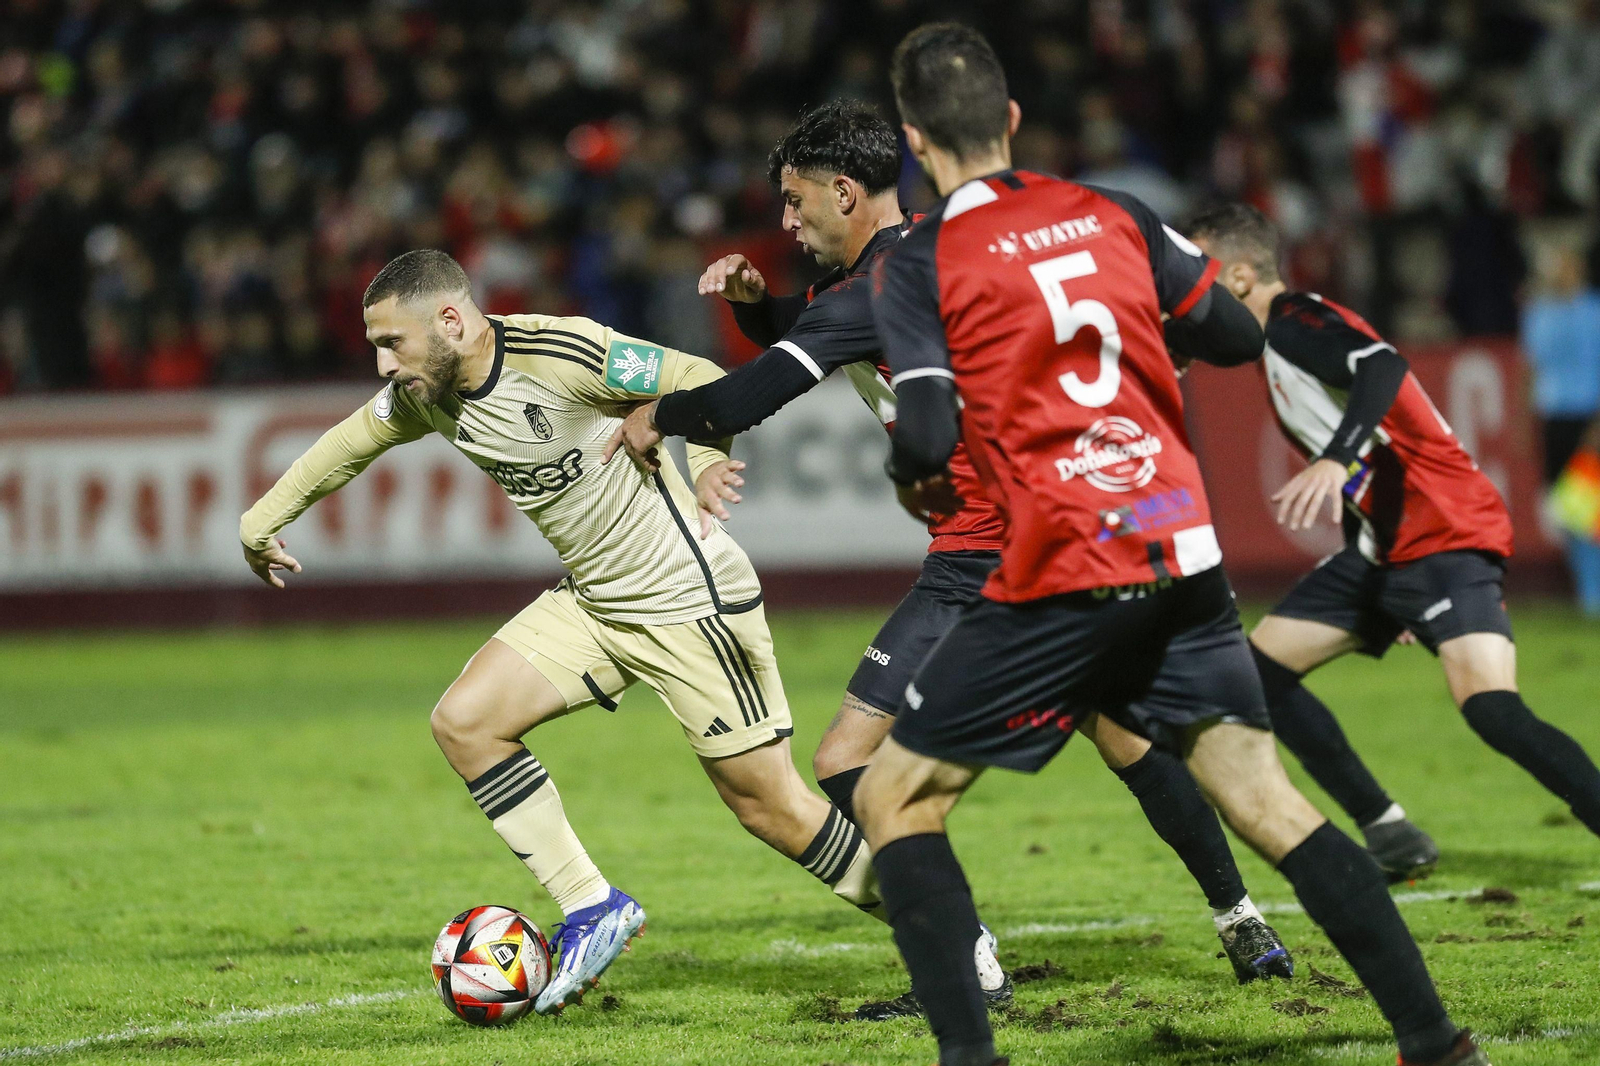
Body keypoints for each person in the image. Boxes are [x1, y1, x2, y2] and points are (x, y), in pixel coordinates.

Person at [855, 23, 1486, 1066]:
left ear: (916, 141)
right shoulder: (1113, 212)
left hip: (1063, 558)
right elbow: (1235, 338)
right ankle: (1435, 1043)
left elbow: (923, 432)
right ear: (1011, 120)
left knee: (892, 796)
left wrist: (913, 474)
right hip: (1176, 546)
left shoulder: (922, 257)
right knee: (1264, 799)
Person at [605, 100, 1290, 1012]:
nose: (786, 220)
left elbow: (750, 398)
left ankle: (969, 967)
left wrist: (662, 414)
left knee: (849, 758)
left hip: (979, 558)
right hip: (1061, 537)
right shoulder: (930, 247)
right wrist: (755, 310)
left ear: (845, 192)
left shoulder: (869, 291)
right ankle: (1243, 919)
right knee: (1125, 737)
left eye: (795, 199)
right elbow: (811, 335)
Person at [238, 249, 885, 1015]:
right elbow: (346, 445)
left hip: (686, 599)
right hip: (594, 603)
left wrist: (708, 458)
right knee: (467, 722)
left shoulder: (559, 353)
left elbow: (697, 373)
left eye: (392, 343)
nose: (383, 365)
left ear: (450, 321)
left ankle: (945, 925)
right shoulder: (427, 392)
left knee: (770, 806)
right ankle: (593, 906)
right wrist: (260, 522)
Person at [1186, 202, 1600, 872]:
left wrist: (1335, 456)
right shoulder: (1273, 343)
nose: (1186, 288)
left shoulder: (1293, 320)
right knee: (1254, 674)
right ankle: (1389, 831)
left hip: (1443, 532)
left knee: (1492, 709)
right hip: (1385, 549)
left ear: (1237, 277)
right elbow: (1377, 452)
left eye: (1196, 269)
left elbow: (1380, 366)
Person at [1520, 240, 1600, 613]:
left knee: (1587, 506)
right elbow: (1530, 370)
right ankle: (1587, 590)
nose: (1561, 275)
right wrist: (1525, 422)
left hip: (1588, 417)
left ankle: (1592, 590)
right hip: (1553, 419)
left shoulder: (1594, 311)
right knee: (1566, 508)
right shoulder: (1539, 314)